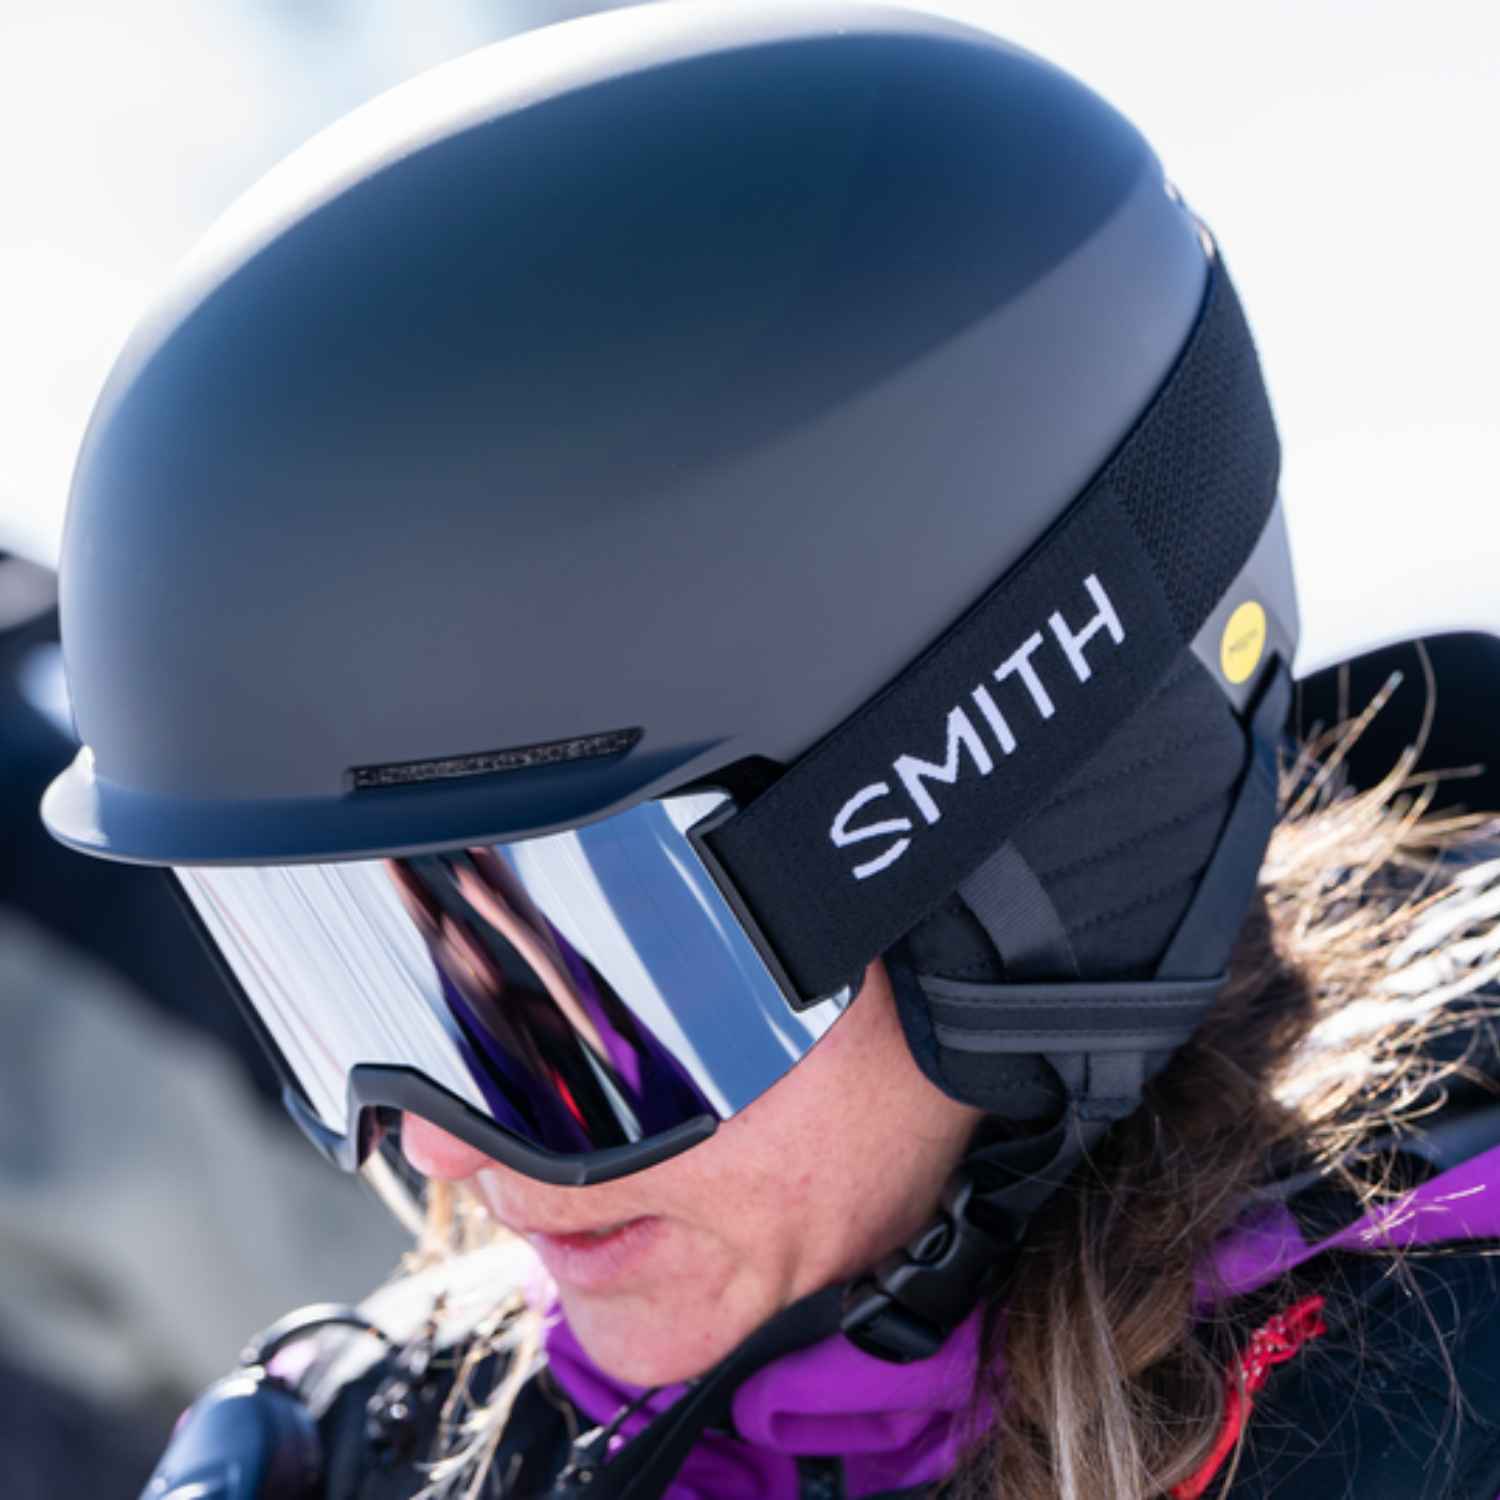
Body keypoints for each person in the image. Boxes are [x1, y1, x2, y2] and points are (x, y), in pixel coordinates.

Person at [39, 5, 1500, 1497]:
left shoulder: (1437, 1404)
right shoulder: (383, 1452)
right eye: (333, 978)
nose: (434, 1157)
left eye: (566, 1002)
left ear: (990, 834)